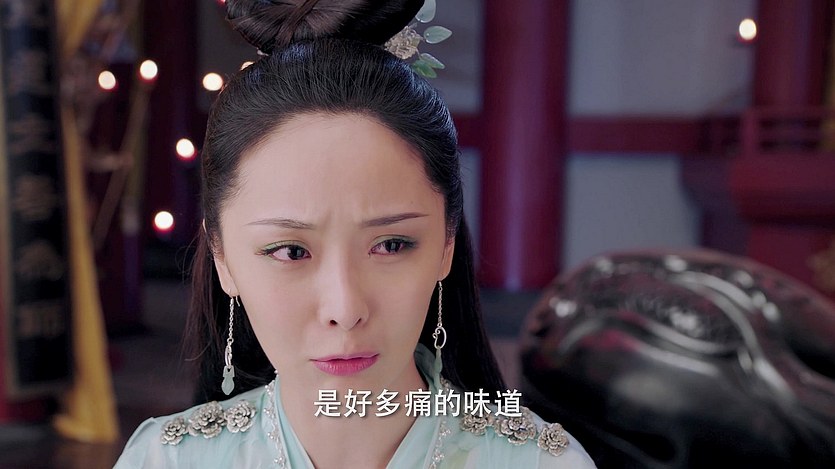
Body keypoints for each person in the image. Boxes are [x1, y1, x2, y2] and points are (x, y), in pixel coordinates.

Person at [115, 1, 596, 467]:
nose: (344, 310)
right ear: (222, 256)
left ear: (447, 243)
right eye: (291, 251)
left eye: (391, 245)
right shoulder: (163, 460)